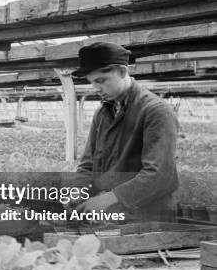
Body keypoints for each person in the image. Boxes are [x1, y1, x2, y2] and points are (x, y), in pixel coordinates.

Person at [73, 42, 179, 222]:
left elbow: (159, 175)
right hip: (111, 216)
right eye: (92, 82)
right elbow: (87, 165)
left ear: (122, 72)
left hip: (149, 217)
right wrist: (76, 193)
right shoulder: (102, 113)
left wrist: (109, 198)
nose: (96, 89)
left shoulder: (155, 111)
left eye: (101, 80)